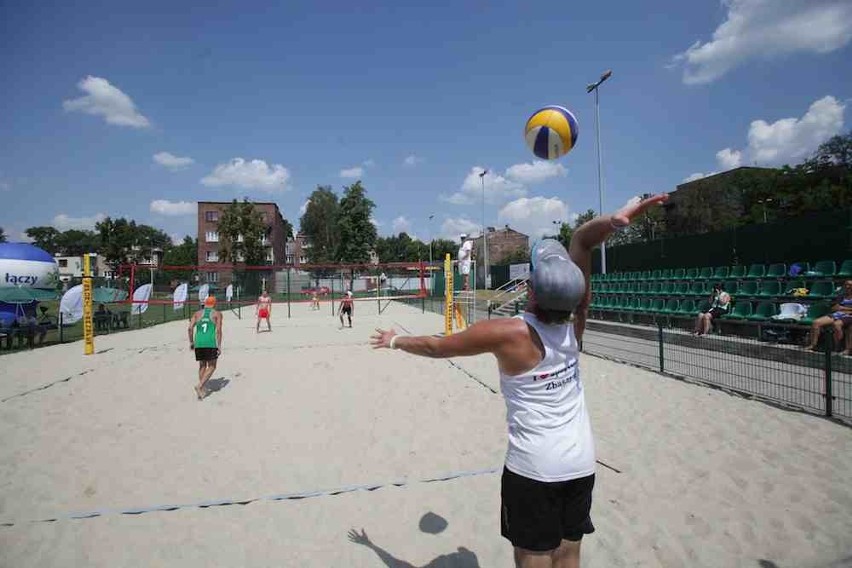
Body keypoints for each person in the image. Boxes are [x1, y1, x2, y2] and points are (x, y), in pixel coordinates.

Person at [371, 194, 669, 568]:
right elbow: (583, 241)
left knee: (533, 557)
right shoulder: (576, 326)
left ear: (530, 291)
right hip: (580, 463)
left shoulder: (508, 333)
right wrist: (613, 222)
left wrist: (396, 340)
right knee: (569, 554)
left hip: (534, 469)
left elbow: (437, 347)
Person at [188, 296, 223, 401]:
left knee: (202, 365)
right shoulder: (217, 314)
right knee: (212, 366)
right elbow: (218, 330)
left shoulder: (197, 314)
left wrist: (191, 342)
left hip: (198, 342)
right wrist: (219, 345)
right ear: (214, 304)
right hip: (210, 342)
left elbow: (190, 328)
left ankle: (202, 389)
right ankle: (200, 385)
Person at [807, 280, 852, 353]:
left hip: (849, 315)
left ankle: (837, 347)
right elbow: (834, 308)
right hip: (837, 314)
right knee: (816, 322)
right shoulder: (841, 296)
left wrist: (844, 308)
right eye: (846, 285)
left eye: (850, 285)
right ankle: (813, 344)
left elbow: (842, 308)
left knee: (836, 325)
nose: (847, 287)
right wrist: (837, 308)